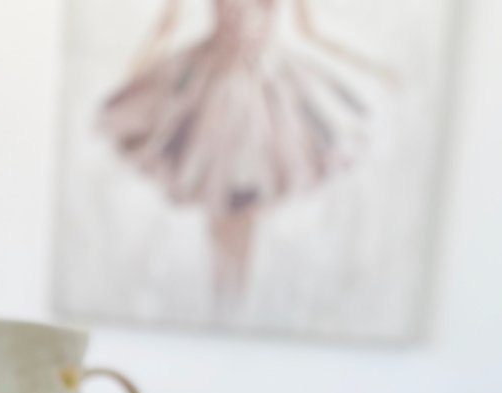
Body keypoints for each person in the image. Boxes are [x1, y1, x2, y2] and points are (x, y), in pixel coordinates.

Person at [99, 0, 395, 309]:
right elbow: (165, 28)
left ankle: (232, 301)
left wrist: (371, 67)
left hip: (265, 90)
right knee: (217, 194)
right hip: (211, 85)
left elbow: (311, 32)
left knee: (245, 198)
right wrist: (130, 82)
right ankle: (223, 301)